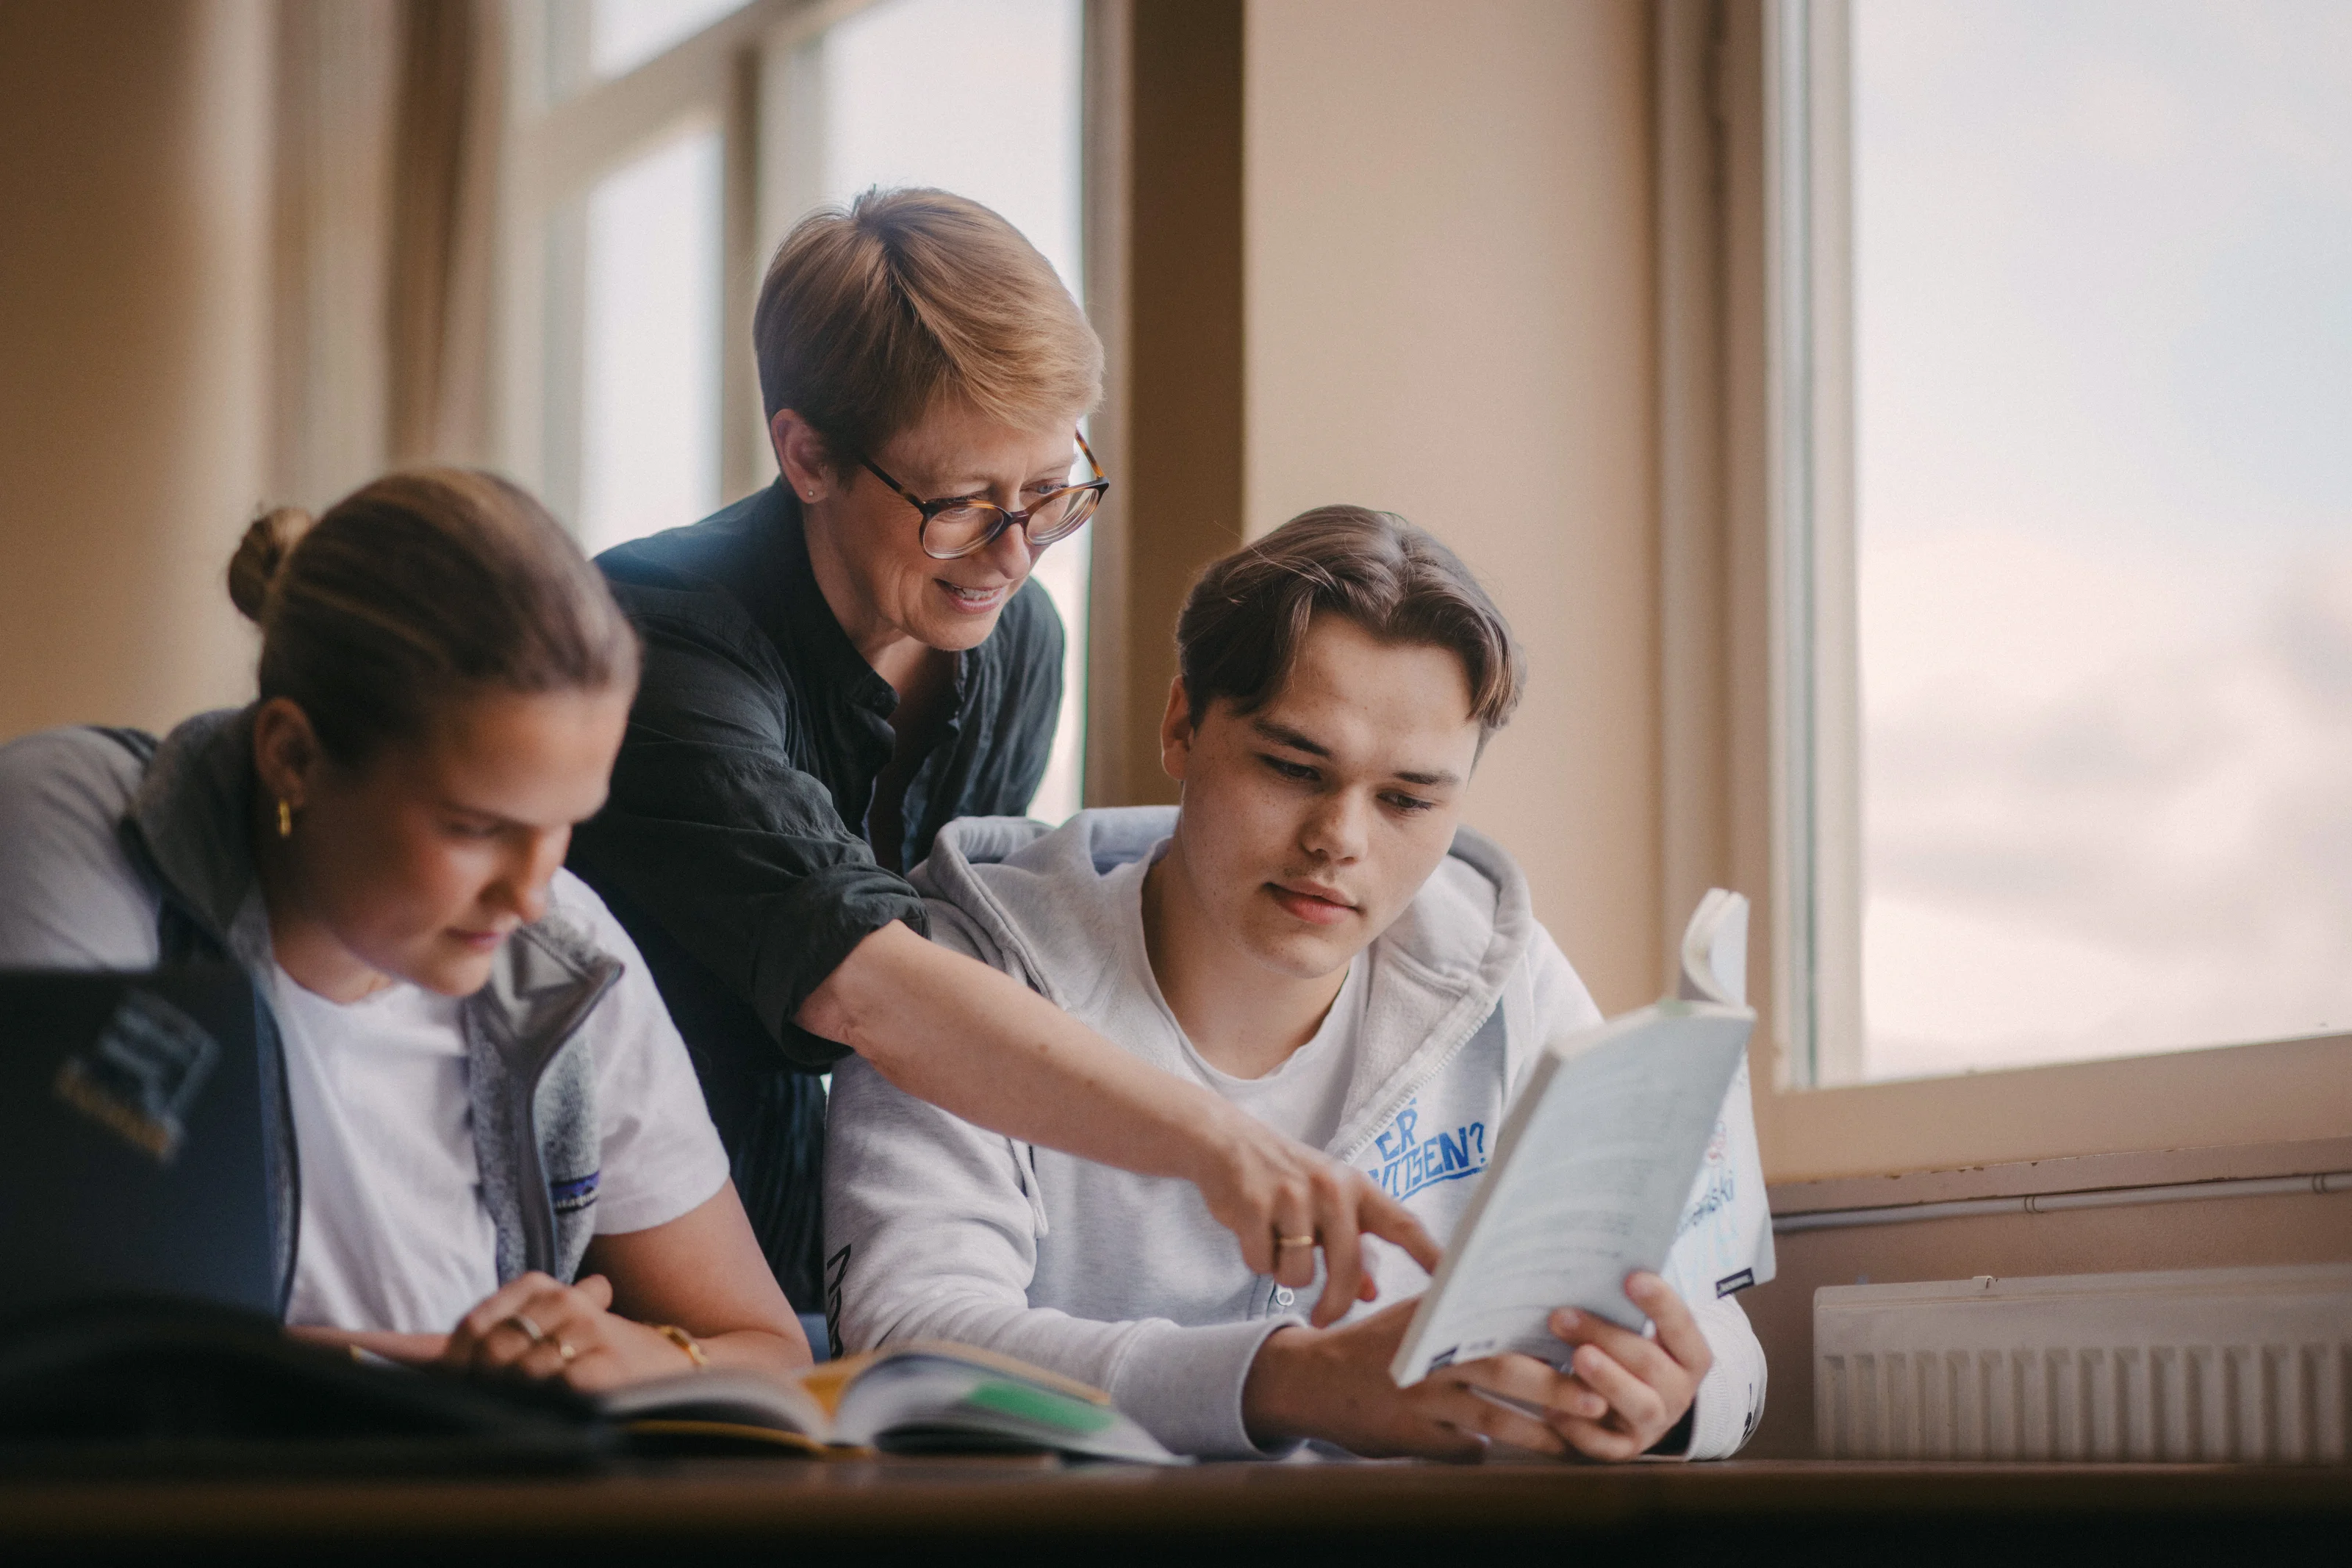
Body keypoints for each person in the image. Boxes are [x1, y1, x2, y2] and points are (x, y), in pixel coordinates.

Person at [567, 188, 1433, 1321]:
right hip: (595, 1226)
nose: (1017, 554)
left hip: (819, 1222)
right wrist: (1217, 1139)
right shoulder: (650, 636)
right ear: (808, 453)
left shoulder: (1015, 640)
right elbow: (871, 983)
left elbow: (963, 939)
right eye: (966, 503)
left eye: (1052, 491)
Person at [824, 506, 1768, 1459]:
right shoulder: (959, 966)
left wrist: (1669, 1401)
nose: (1340, 840)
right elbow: (909, 1333)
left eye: (1407, 798)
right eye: (1291, 766)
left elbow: (1723, 1334)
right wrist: (1290, 1380)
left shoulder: (1499, 968)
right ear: (1182, 724)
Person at [0, 470, 807, 1390]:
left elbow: (768, 1351)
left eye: (563, 826)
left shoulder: (563, 960)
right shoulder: (82, 826)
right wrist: (442, 1382)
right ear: (292, 756)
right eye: (476, 827)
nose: (531, 897)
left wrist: (649, 1358)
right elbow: (63, 1333)